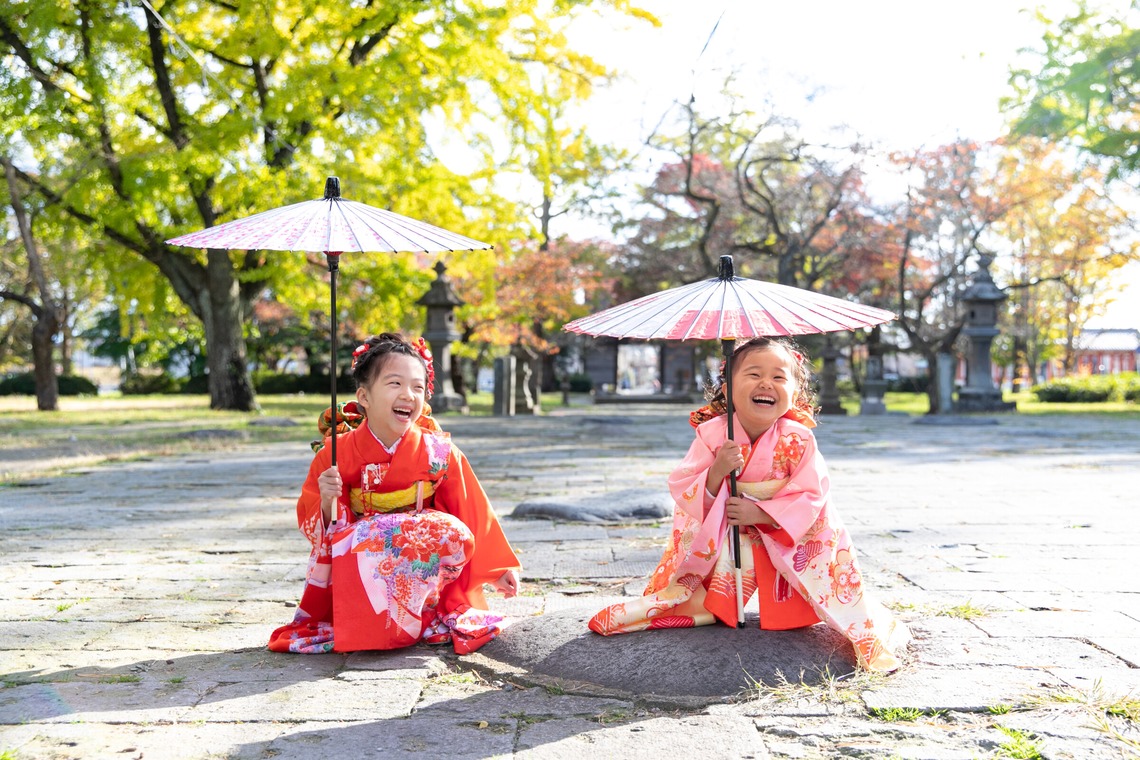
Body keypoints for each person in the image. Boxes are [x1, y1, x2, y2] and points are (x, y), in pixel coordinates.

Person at [588, 337, 909, 672]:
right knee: (703, 550)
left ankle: (811, 610)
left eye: (779, 377)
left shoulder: (798, 438)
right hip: (726, 522)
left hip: (784, 528)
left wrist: (762, 513)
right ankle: (714, 605)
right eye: (754, 374)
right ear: (727, 391)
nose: (766, 383)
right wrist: (716, 471)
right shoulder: (713, 434)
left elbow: (812, 494)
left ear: (796, 392)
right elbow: (684, 485)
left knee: (820, 545)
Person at [269, 333, 521, 655]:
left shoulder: (439, 452)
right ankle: (371, 622)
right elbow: (319, 527)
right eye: (394, 384)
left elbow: (470, 507)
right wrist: (329, 500)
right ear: (364, 396)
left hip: (419, 557)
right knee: (370, 539)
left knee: (451, 532)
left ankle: (421, 614)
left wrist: (497, 570)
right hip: (360, 563)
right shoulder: (334, 453)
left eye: (418, 387)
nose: (408, 395)